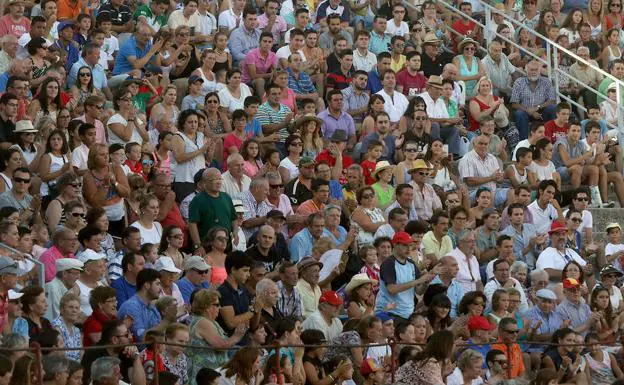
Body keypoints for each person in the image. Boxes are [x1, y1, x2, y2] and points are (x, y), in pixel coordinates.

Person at [186, 289, 246, 385]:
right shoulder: (203, 322)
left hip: (213, 375)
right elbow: (221, 346)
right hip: (204, 377)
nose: (220, 307)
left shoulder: (211, 322)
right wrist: (236, 336)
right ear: (206, 307)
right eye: (217, 305)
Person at [376, 231, 434, 319]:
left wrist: (425, 282)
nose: (408, 249)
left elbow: (418, 291)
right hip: (390, 313)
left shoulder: (411, 264)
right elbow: (392, 289)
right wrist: (419, 280)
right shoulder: (389, 263)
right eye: (404, 245)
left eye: (410, 245)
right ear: (395, 245)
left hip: (408, 313)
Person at [510, 59, 557, 139]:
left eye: (536, 70)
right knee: (519, 114)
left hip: (541, 111)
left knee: (553, 108)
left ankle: (553, 138)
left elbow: (552, 100)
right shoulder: (519, 82)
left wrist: (537, 107)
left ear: (540, 70)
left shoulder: (546, 82)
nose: (534, 72)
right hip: (525, 111)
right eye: (531, 70)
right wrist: (528, 110)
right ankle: (524, 143)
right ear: (526, 70)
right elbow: (514, 103)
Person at [118, 268, 162, 340]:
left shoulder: (152, 307)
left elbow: (159, 334)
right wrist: (166, 321)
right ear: (147, 285)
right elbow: (141, 338)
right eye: (157, 284)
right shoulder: (131, 306)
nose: (160, 289)